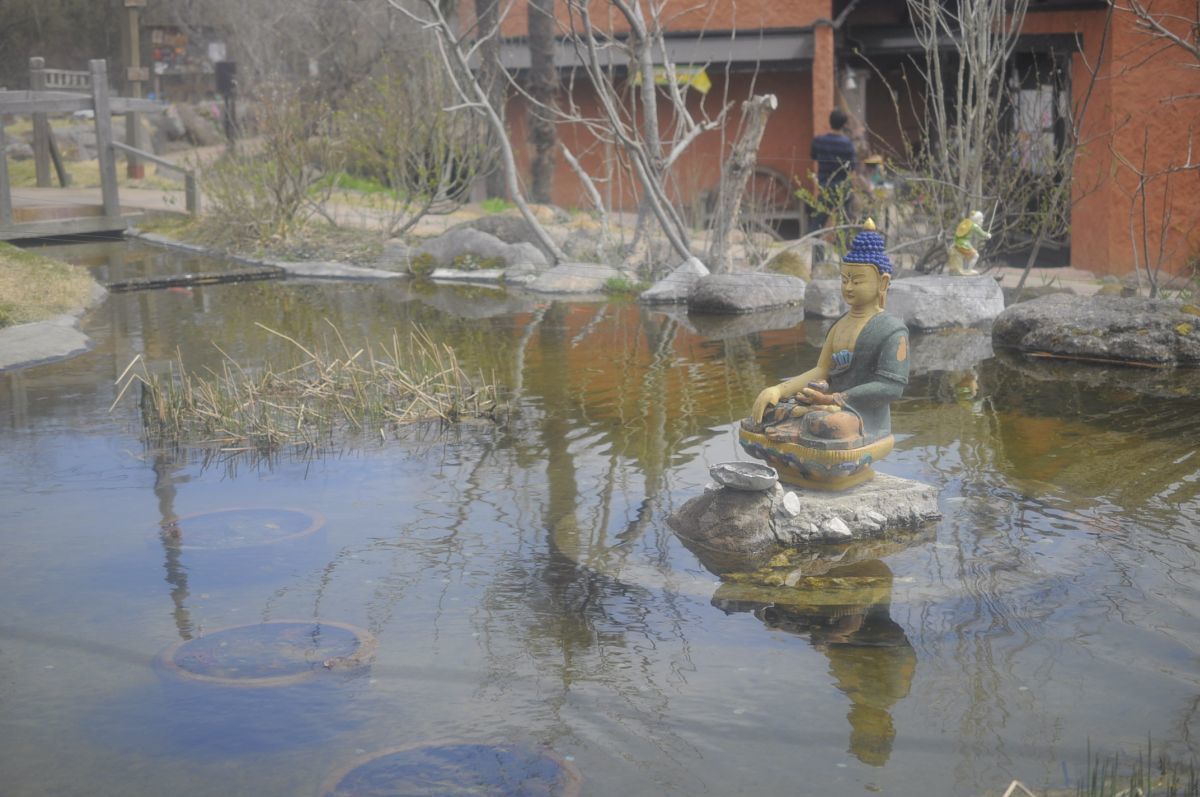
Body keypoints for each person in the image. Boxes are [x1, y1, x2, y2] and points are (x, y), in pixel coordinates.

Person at [740, 219, 909, 489]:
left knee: (827, 425)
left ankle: (815, 458)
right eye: (844, 280)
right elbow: (821, 370)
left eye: (857, 280)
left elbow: (891, 387)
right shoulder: (840, 324)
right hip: (822, 402)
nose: (849, 287)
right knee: (771, 412)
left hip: (861, 415)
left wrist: (837, 398)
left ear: (883, 282)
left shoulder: (891, 330)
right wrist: (779, 390)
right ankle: (794, 450)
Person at [810, 109, 856, 229]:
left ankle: (816, 247)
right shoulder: (848, 144)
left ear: (830, 122)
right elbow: (852, 167)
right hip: (842, 188)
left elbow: (813, 156)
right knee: (844, 223)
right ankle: (842, 247)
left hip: (826, 186)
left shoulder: (818, 141)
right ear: (844, 124)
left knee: (818, 223)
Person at [947, 210, 991, 276]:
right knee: (975, 256)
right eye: (981, 219)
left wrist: (955, 242)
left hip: (958, 243)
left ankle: (962, 269)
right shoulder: (974, 226)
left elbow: (958, 233)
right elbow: (981, 233)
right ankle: (968, 270)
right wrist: (987, 235)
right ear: (977, 220)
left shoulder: (966, 222)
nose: (982, 221)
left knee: (966, 256)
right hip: (964, 245)